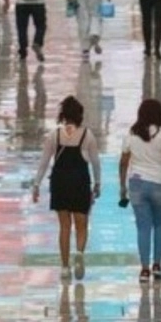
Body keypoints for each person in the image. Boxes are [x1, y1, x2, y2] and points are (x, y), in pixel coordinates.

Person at [32, 96, 103, 281]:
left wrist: (36, 184)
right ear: (80, 115)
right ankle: (79, 253)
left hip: (60, 182)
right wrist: (97, 184)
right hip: (80, 181)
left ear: (63, 115)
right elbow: (95, 163)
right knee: (82, 224)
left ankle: (64, 267)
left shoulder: (54, 135)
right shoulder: (87, 135)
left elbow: (44, 162)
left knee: (64, 226)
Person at [119, 99, 161, 283]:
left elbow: (123, 162)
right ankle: (157, 266)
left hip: (137, 185)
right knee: (160, 225)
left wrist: (122, 186)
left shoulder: (131, 135)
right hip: (160, 183)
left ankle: (144, 269)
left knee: (143, 227)